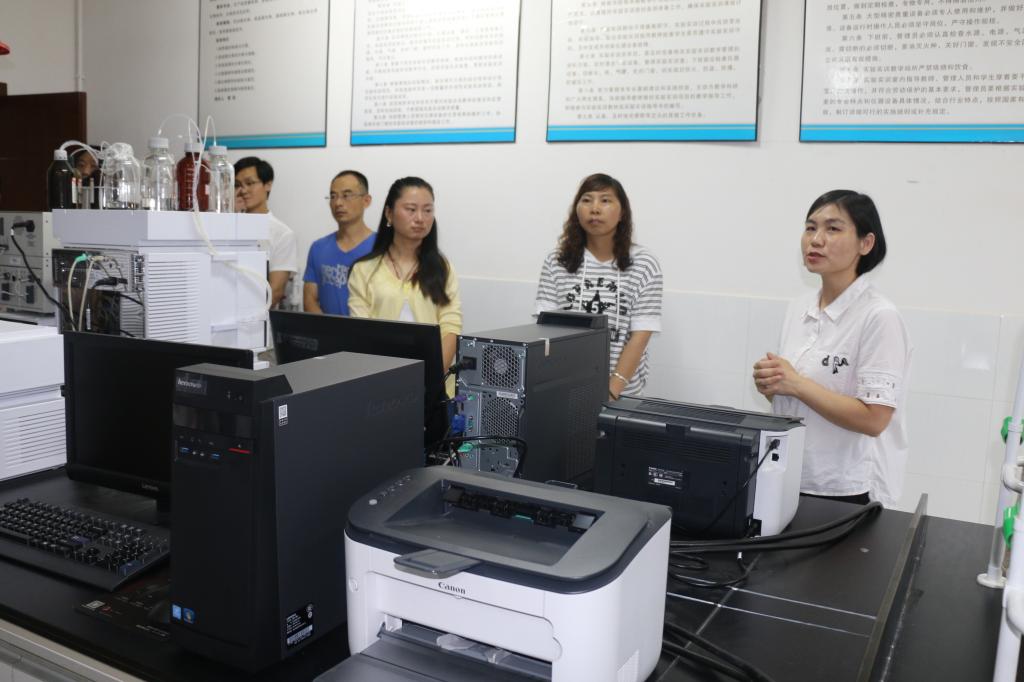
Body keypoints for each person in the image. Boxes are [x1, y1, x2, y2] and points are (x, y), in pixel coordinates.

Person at [753, 190, 912, 508]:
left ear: (866, 243)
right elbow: (799, 396)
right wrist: (773, 384)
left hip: (845, 489)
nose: (816, 240)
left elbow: (874, 420)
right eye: (810, 228)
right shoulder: (799, 308)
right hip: (790, 476)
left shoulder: (878, 316)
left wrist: (796, 384)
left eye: (833, 228)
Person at [535, 173, 663, 399]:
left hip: (622, 393)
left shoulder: (644, 263)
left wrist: (612, 391)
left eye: (605, 200)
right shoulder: (557, 261)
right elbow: (545, 330)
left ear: (622, 213)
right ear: (576, 210)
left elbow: (640, 335)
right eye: (586, 200)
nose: (594, 209)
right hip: (565, 388)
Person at [348, 177, 461, 374]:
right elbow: (362, 334)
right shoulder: (364, 269)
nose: (420, 218)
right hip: (379, 377)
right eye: (411, 209)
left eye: (428, 210)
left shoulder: (442, 268)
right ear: (389, 213)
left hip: (436, 379)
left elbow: (451, 326)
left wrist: (432, 378)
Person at [303, 170, 376, 315]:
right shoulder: (318, 248)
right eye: (333, 196)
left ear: (366, 201)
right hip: (326, 329)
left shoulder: (382, 247)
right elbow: (310, 301)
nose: (338, 203)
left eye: (346, 196)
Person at [234, 156, 297, 308]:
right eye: (238, 185)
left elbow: (275, 292)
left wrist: (244, 314)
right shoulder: (228, 225)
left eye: (250, 183)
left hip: (258, 316)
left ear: (268, 185)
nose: (243, 190)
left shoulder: (282, 234)